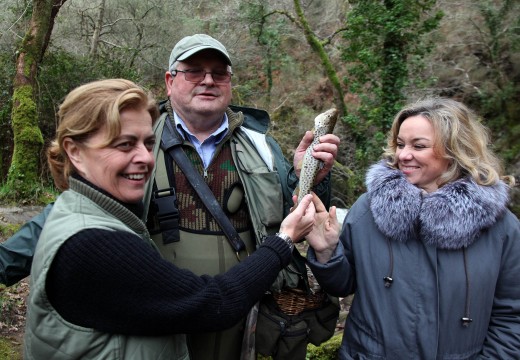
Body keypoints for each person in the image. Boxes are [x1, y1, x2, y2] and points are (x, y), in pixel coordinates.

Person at [1, 34, 340, 358]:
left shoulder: (262, 147)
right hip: (166, 315)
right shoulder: (142, 138)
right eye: (194, 71)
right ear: (169, 80)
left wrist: (307, 176)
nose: (208, 80)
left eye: (219, 73)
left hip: (245, 317)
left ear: (230, 82)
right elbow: (77, 215)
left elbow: (293, 211)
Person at [305, 97, 520, 359]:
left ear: (455, 150)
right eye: (400, 144)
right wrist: (327, 251)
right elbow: (344, 284)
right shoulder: (369, 209)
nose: (403, 155)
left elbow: (512, 316)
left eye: (419, 146)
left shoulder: (501, 229)